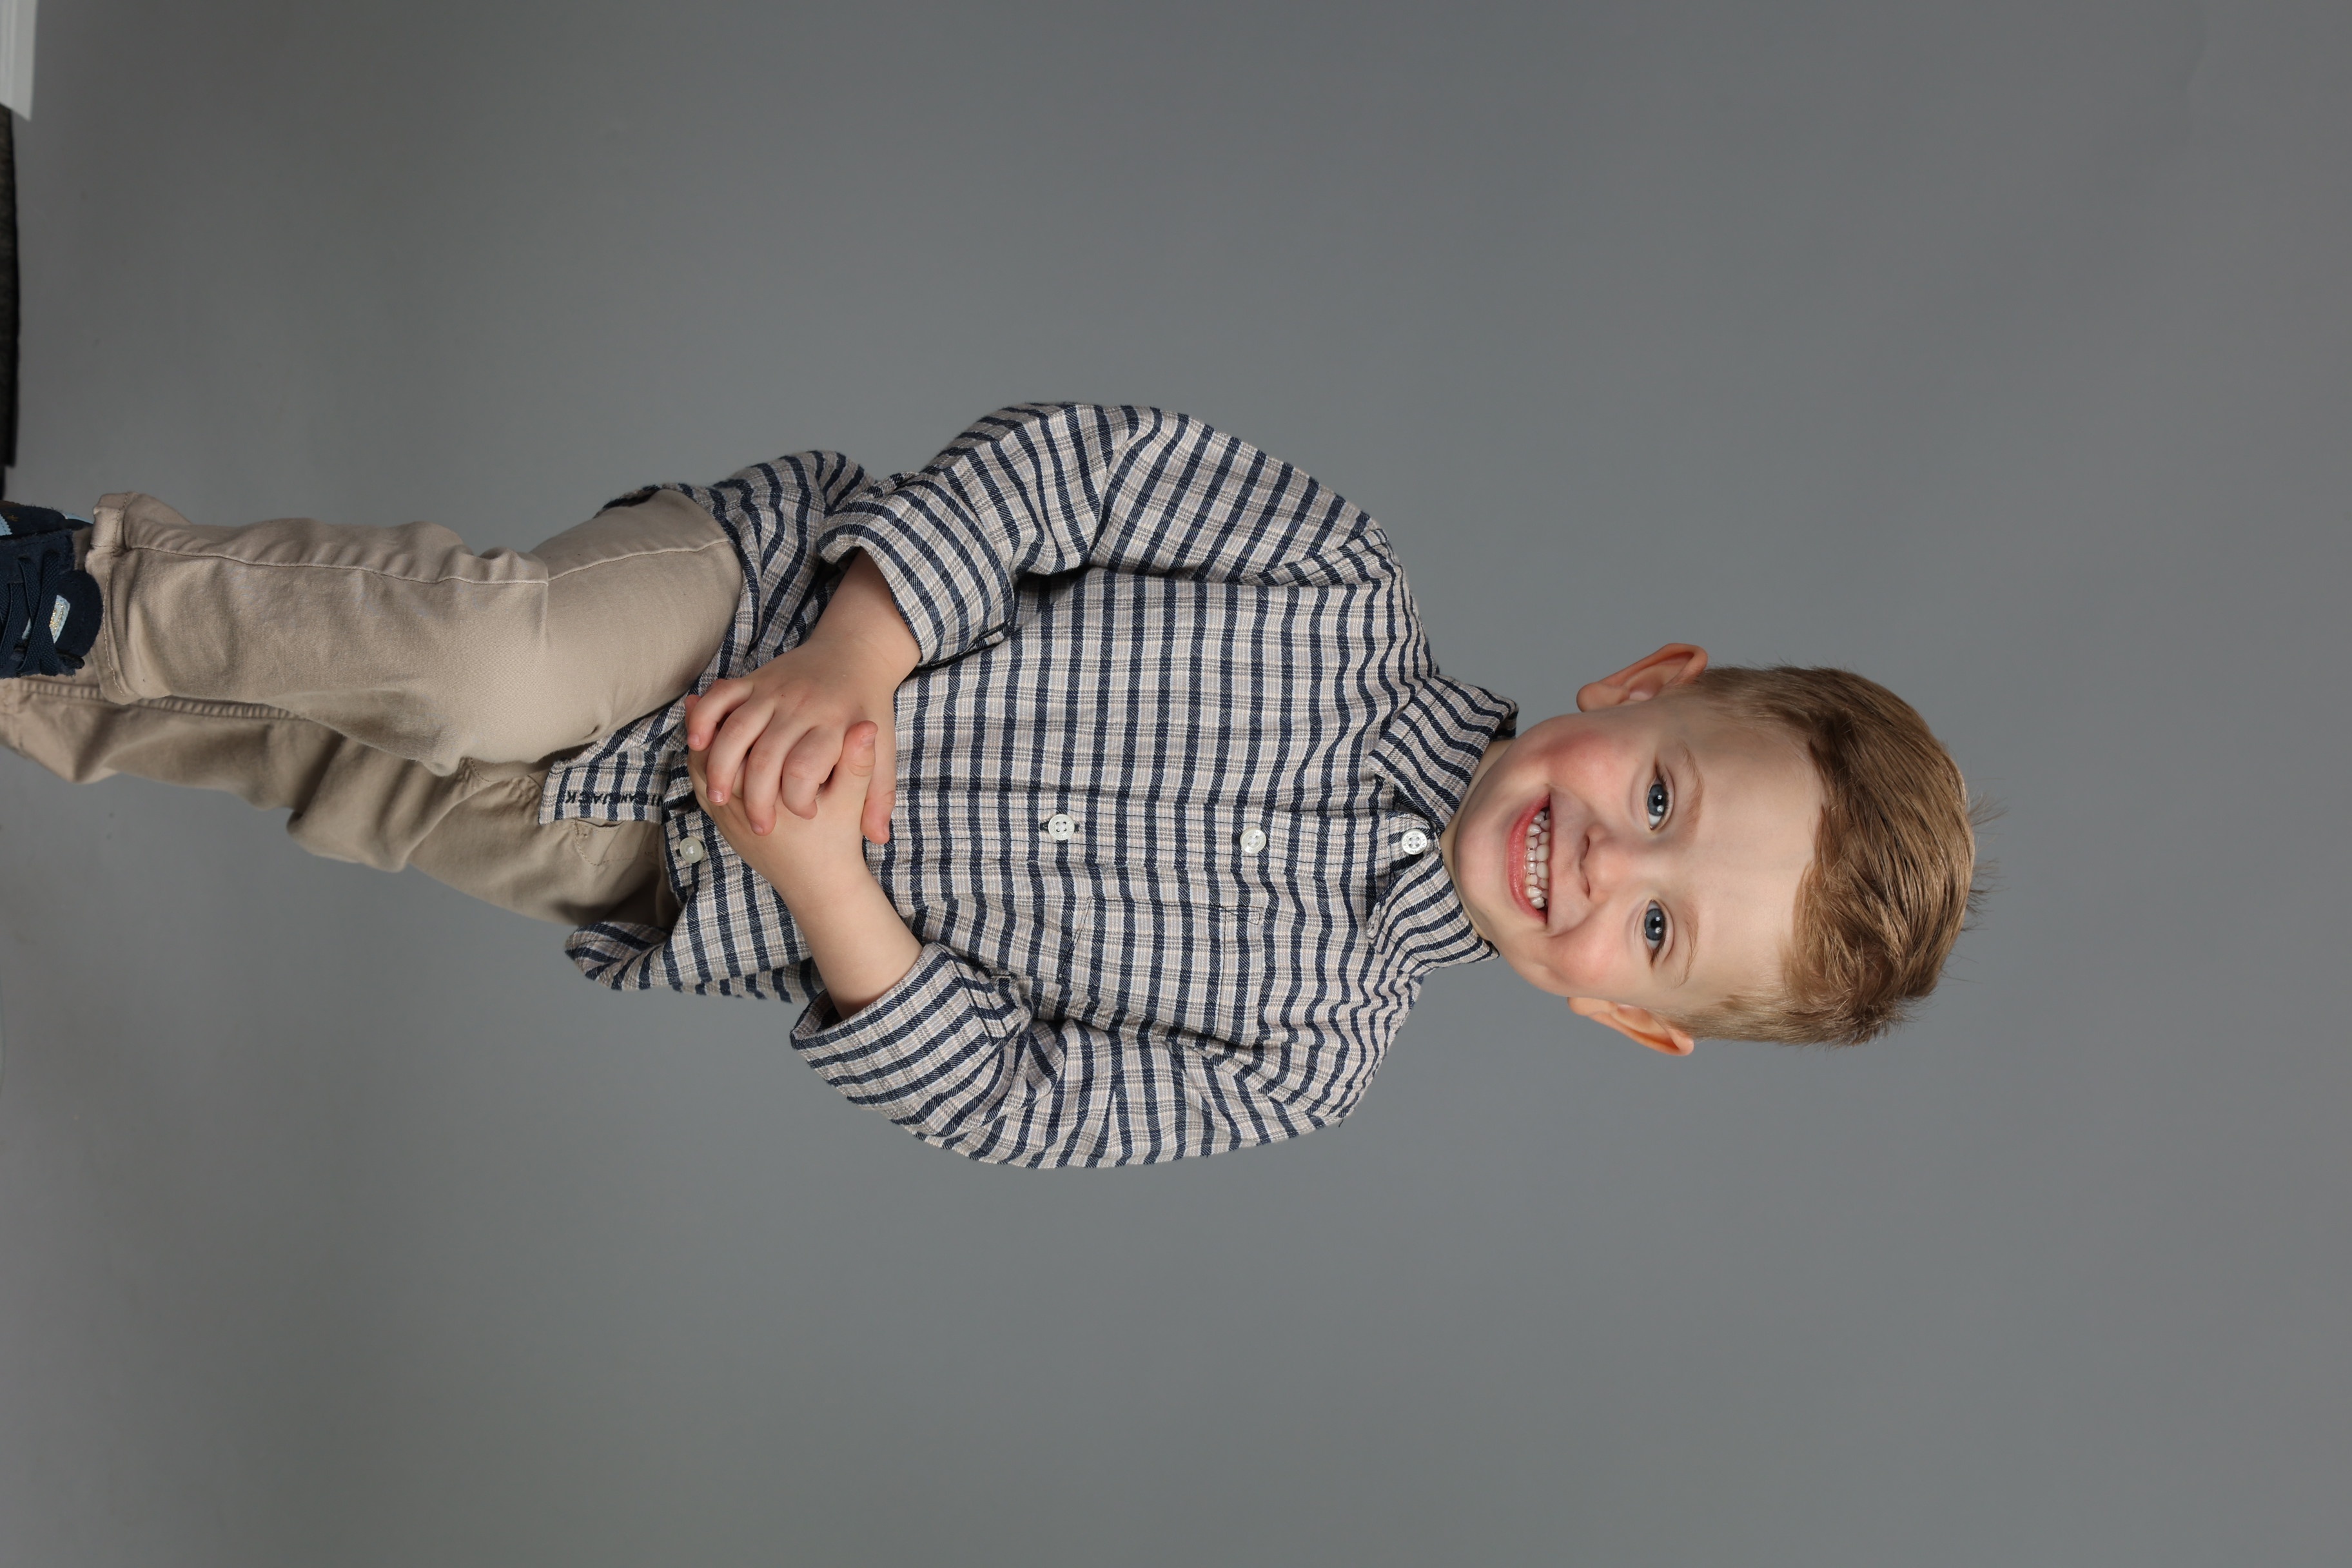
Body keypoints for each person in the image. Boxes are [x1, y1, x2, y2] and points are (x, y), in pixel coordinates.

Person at [0, 404, 1979, 1166]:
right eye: (1663, 796)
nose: (1606, 859)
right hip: (744, 612)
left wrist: (821, 884)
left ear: (1628, 1018)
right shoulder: (1332, 579)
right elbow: (1060, 470)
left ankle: (39, 683)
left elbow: (1011, 1099)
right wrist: (853, 662)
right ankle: (69, 585)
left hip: (690, 875)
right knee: (470, 661)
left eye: (1660, 923)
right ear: (1645, 687)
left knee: (342, 771)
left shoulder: (1305, 1056)